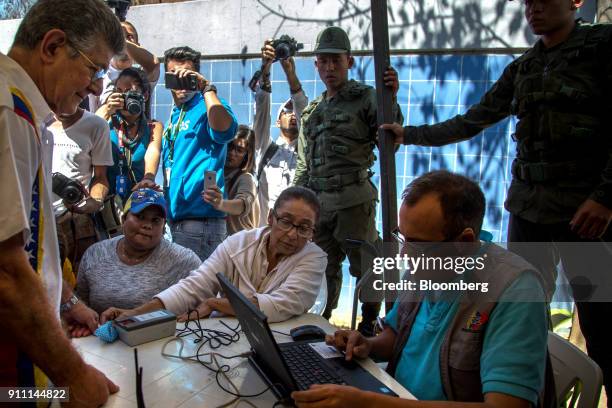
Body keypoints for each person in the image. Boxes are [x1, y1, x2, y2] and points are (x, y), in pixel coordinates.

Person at [381, 0, 612, 400]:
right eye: (528, 2)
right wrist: (411, 135)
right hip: (530, 211)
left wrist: (606, 196)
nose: (534, 9)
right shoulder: (524, 66)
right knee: (519, 312)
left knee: (602, 327)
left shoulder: (602, 45)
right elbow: (475, 118)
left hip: (584, 215)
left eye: (545, 0)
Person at [292, 171, 548, 407]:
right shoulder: (429, 265)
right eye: (402, 237)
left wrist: (369, 404)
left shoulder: (515, 290)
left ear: (464, 242)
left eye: (416, 243)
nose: (404, 254)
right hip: (392, 394)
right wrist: (368, 345)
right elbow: (399, 336)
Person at [0, 0, 124, 404]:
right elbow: (5, 271)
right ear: (52, 46)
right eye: (94, 69)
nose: (95, 88)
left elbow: (29, 244)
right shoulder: (9, 110)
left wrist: (66, 299)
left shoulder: (23, 111)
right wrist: (73, 376)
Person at [293, 26, 403, 334]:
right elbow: (304, 162)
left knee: (366, 267)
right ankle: (320, 324)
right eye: (323, 61)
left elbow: (389, 137)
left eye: (336, 61)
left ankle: (368, 325)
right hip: (318, 206)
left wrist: (389, 99)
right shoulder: (312, 112)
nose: (329, 68)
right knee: (320, 267)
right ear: (316, 64)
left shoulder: (367, 98)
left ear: (349, 61)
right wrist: (296, 202)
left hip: (354, 200)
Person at [101, 186, 327, 324]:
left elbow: (280, 304)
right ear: (270, 218)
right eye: (286, 221)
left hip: (282, 342)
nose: (292, 234)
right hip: (230, 338)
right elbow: (195, 286)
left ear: (313, 232)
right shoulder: (239, 242)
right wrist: (135, 314)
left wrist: (215, 304)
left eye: (304, 228)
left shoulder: (314, 258)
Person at [135, 46, 238, 261]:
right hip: (177, 219)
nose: (181, 83)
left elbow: (225, 130)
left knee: (193, 292)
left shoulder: (207, 105)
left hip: (200, 221)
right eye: (174, 75)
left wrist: (207, 89)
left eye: (187, 76)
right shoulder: (176, 113)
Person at [77, 188, 201, 314]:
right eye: (140, 217)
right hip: (99, 332)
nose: (147, 225)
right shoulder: (96, 254)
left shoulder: (183, 261)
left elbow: (203, 308)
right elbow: (82, 305)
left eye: (156, 220)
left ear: (163, 228)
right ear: (123, 219)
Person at [49, 106, 113, 272]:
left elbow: (101, 177)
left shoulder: (96, 124)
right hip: (36, 217)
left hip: (74, 220)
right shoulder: (35, 118)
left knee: (77, 284)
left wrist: (95, 201)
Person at [254, 39, 308, 225]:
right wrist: (265, 68)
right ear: (277, 121)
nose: (292, 114)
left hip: (296, 235)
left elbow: (303, 110)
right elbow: (261, 110)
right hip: (264, 232)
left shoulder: (306, 150)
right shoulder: (265, 149)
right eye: (286, 111)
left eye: (294, 111)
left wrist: (290, 74)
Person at [96, 66, 163, 201]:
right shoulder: (106, 121)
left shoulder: (153, 127)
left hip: (138, 200)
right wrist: (107, 109)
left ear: (144, 95)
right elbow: (89, 131)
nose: (124, 97)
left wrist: (148, 177)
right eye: (119, 92)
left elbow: (153, 152)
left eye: (129, 92)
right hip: (107, 203)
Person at [88, 20, 160, 113]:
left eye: (130, 37)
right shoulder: (98, 72)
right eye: (117, 38)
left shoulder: (141, 74)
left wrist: (121, 40)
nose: (122, 42)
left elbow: (154, 65)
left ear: (137, 46)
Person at [203, 124, 260, 235]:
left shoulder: (246, 178)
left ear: (247, 155)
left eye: (239, 150)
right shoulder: (216, 175)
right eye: (230, 146)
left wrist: (220, 204)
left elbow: (242, 205)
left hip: (242, 245)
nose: (232, 153)